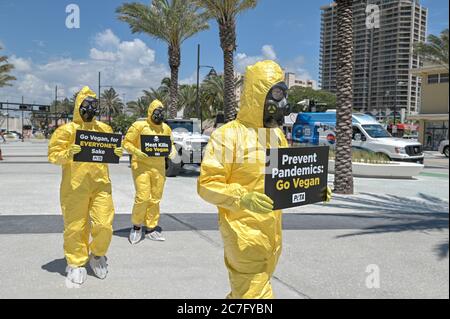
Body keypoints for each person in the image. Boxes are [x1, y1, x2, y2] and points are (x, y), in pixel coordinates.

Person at [198, 60, 332, 299]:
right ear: (256, 95)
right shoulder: (228, 135)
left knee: (246, 293)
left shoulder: (276, 135)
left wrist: (312, 185)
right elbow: (207, 185)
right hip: (242, 234)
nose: (282, 103)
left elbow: (283, 176)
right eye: (276, 94)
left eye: (284, 94)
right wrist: (242, 197)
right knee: (256, 296)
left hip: (272, 233)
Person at [48, 86, 123, 286]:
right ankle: (75, 261)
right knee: (75, 226)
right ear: (78, 106)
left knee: (104, 224)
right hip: (75, 186)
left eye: (93, 105)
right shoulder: (66, 131)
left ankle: (97, 255)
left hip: (101, 185)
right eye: (85, 105)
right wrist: (68, 154)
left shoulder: (104, 129)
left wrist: (117, 152)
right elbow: (53, 156)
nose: (89, 108)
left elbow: (110, 150)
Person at [124, 99, 176, 244]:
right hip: (141, 166)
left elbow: (170, 143)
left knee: (155, 198)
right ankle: (136, 226)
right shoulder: (139, 126)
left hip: (158, 167)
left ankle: (151, 228)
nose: (159, 115)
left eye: (161, 112)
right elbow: (126, 142)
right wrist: (136, 152)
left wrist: (172, 151)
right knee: (142, 197)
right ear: (150, 112)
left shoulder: (165, 128)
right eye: (156, 112)